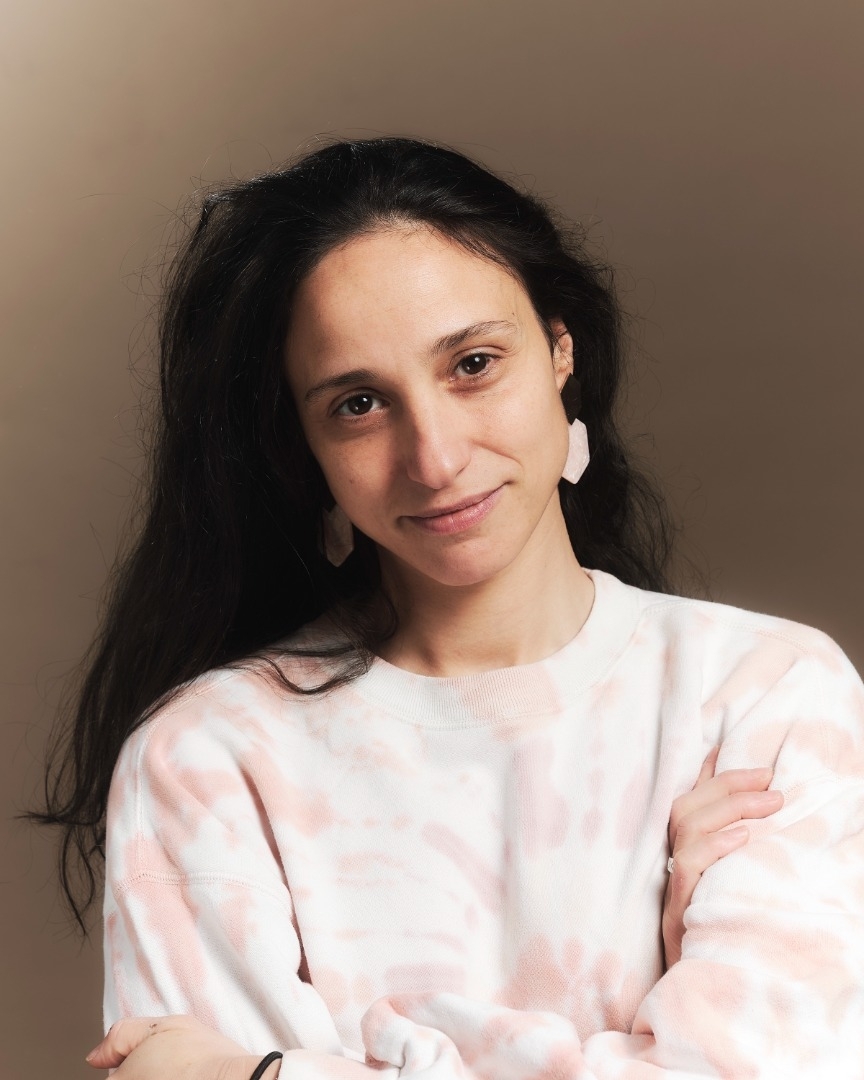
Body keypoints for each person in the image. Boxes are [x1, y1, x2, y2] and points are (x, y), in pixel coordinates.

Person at [39, 138, 863, 1078]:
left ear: (560, 350)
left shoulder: (766, 696)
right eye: (358, 404)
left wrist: (268, 1074)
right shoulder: (209, 758)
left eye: (473, 363)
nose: (434, 458)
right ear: (301, 443)